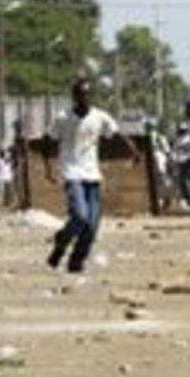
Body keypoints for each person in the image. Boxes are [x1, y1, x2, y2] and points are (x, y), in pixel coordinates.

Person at [44, 77, 141, 274]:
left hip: (92, 174)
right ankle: (62, 240)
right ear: (74, 97)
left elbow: (116, 133)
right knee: (80, 216)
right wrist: (49, 168)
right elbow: (48, 142)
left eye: (87, 95)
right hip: (72, 173)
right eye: (79, 95)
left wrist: (133, 150)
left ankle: (76, 261)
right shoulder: (62, 118)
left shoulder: (100, 117)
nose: (83, 99)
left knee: (92, 225)